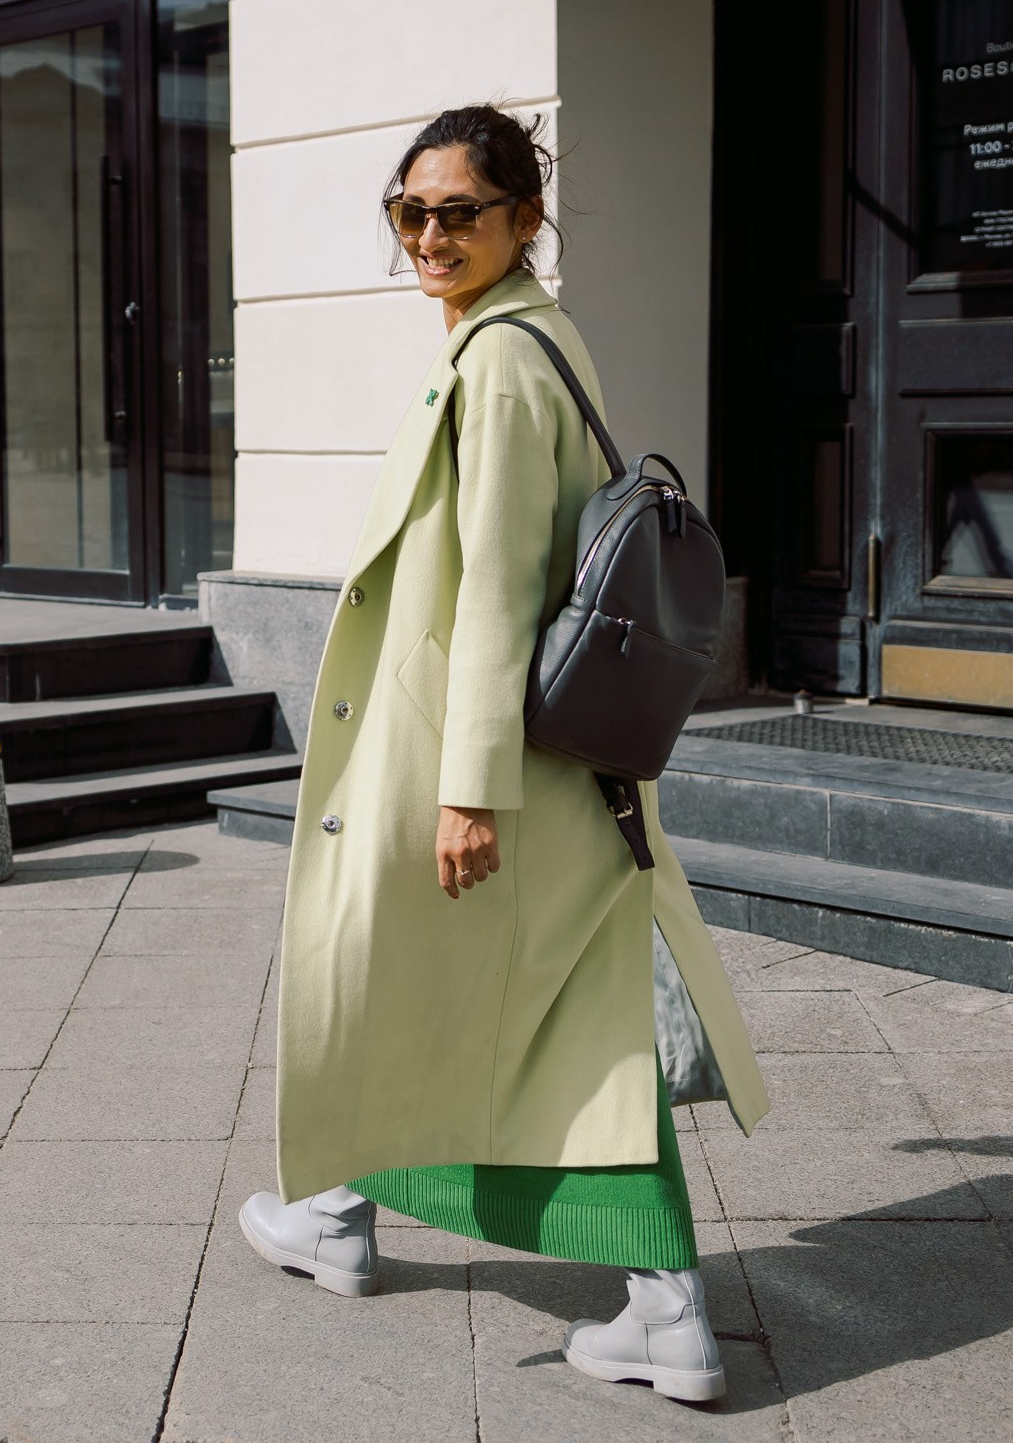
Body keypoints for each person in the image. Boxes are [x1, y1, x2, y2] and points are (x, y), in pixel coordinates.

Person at [239, 104, 770, 1404]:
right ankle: (342, 1210)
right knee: (435, 997)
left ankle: (667, 1308)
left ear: (525, 218)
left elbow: (489, 594)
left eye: (459, 213)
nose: (430, 235)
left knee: (536, 1031)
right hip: (532, 755)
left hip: (483, 763)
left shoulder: (496, 366)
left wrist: (465, 793)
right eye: (409, 213)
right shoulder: (535, 338)